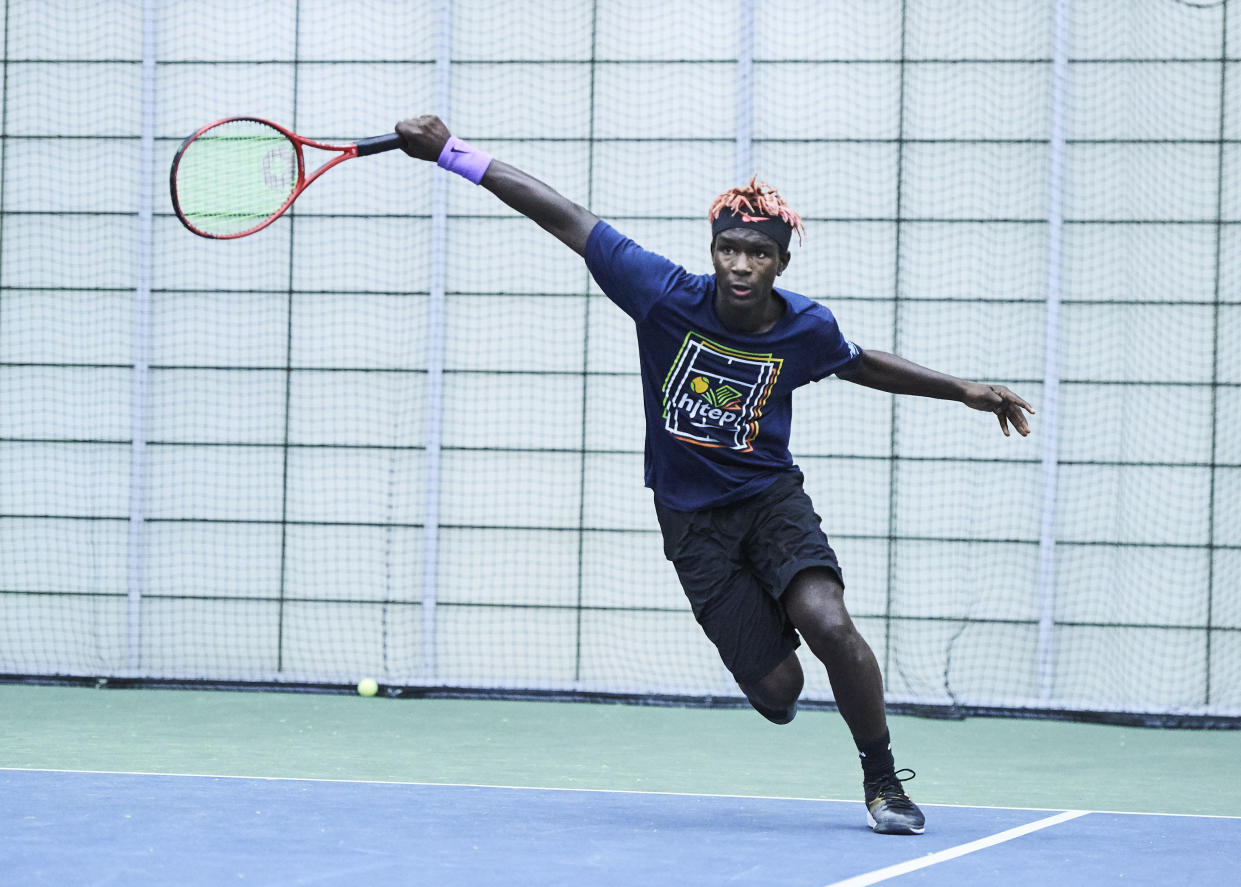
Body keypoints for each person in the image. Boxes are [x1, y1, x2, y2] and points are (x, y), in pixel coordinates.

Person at [395, 114, 1034, 836]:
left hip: (769, 501)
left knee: (828, 623)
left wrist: (963, 389)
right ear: (712, 250)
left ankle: (882, 781)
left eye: (756, 253)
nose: (738, 264)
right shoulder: (662, 294)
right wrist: (451, 153)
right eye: (727, 247)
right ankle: (765, 623)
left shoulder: (805, 327)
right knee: (778, 694)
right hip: (691, 521)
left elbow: (861, 363)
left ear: (779, 264)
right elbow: (565, 216)